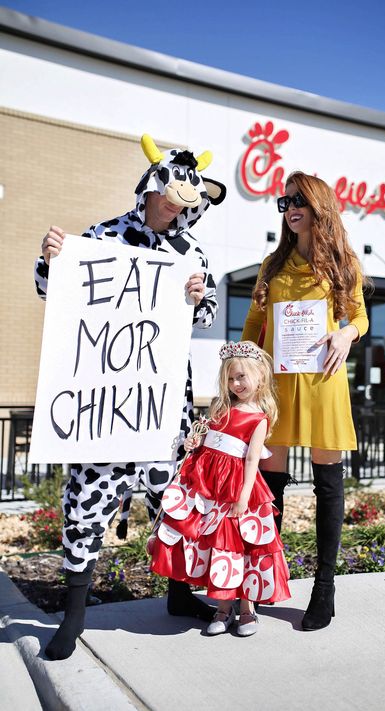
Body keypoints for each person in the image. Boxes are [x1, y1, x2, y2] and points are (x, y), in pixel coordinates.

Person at [34, 135, 226, 659]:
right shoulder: (103, 236)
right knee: (86, 506)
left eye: (184, 201)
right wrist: (53, 258)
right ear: (150, 187)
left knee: (176, 505)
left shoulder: (190, 252)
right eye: (168, 195)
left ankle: (180, 597)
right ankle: (73, 617)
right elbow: (52, 290)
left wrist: (195, 298)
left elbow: (206, 314)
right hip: (104, 405)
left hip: (163, 406)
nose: (173, 206)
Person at [241, 172, 368, 631]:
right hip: (276, 386)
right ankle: (263, 581)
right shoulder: (272, 266)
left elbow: (359, 315)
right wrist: (241, 376)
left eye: (299, 200)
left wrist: (346, 334)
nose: (291, 207)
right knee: (267, 489)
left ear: (320, 206)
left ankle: (324, 588)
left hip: (323, 383)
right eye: (285, 200)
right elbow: (254, 323)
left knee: (327, 486)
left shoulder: (342, 264)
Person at [149, 341, 291, 637]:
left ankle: (247, 608)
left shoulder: (258, 418)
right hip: (209, 484)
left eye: (241, 377)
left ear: (260, 377)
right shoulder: (220, 407)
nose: (236, 383)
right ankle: (223, 607)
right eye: (230, 378)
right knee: (218, 547)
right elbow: (206, 440)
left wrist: (242, 498)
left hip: (238, 487)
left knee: (241, 545)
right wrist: (193, 443)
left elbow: (252, 459)